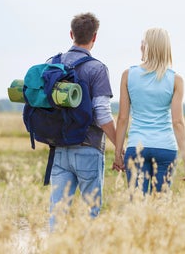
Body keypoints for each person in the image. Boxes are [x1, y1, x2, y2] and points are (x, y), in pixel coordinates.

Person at [49, 12, 116, 231]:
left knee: (57, 215)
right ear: (94, 37)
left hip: (59, 148)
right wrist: (120, 146)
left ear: (71, 34)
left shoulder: (52, 63)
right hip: (88, 148)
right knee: (91, 214)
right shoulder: (97, 68)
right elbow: (103, 114)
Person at [113, 27, 185, 195]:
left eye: (143, 42)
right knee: (160, 205)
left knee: (137, 205)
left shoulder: (128, 75)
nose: (140, 46)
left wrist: (118, 153)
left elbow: (122, 118)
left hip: (137, 147)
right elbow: (178, 122)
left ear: (147, 47)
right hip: (165, 148)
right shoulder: (176, 80)